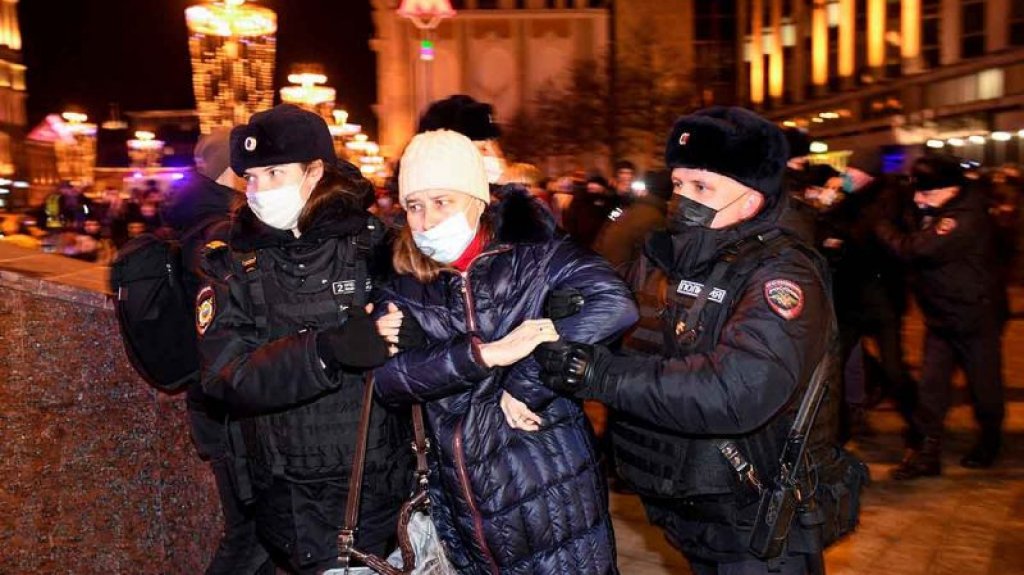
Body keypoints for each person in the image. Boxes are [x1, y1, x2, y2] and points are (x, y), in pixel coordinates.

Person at [536, 107, 852, 575]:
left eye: (703, 188)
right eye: (680, 185)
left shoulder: (782, 275)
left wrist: (600, 375)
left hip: (759, 521)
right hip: (698, 506)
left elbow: (735, 389)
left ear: (751, 200)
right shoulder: (670, 254)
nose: (683, 200)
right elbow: (632, 323)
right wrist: (570, 308)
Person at [373, 129, 638, 574]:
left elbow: (615, 305)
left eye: (443, 202)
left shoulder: (535, 256)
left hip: (549, 492)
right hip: (462, 505)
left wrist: (527, 379)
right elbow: (389, 380)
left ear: (477, 200)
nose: (426, 220)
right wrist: (484, 356)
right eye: (414, 206)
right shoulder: (402, 277)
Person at [196, 104, 414, 574]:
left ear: (316, 171)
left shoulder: (379, 247)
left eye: (274, 173)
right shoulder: (232, 263)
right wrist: (326, 351)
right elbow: (224, 374)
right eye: (250, 178)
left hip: (376, 493)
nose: (259, 191)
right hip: (286, 500)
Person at [159, 128, 272, 575]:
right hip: (224, 408)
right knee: (251, 532)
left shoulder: (197, 222)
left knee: (257, 532)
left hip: (216, 405)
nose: (255, 180)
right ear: (231, 171)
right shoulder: (220, 230)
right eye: (249, 171)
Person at [875, 155, 1006, 477]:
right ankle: (926, 454)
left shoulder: (965, 217)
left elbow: (915, 250)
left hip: (976, 316)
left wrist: (881, 227)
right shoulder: (935, 208)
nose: (919, 200)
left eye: (928, 194)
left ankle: (990, 440)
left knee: (984, 388)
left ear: (951, 190)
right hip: (940, 317)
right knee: (931, 390)